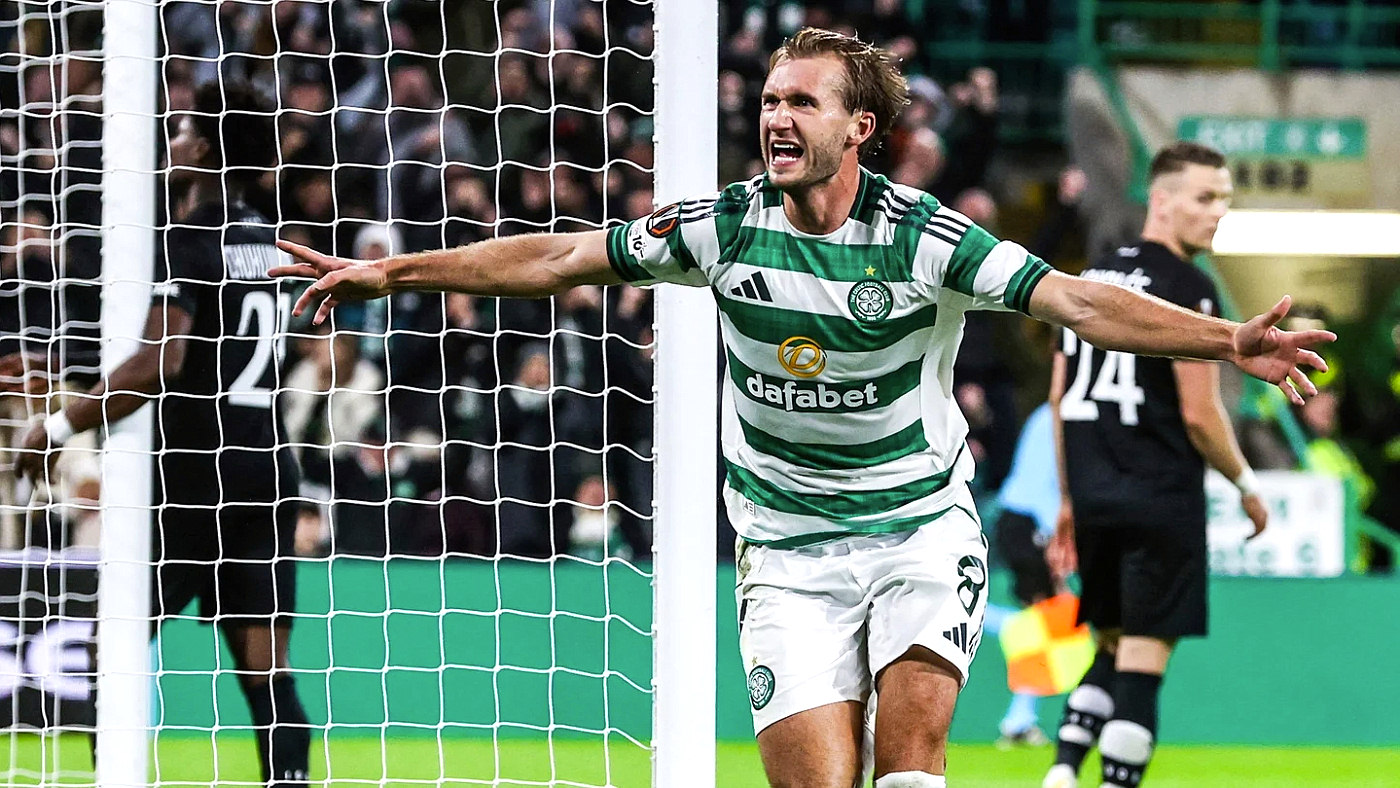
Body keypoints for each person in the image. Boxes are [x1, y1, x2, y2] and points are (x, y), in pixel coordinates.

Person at [271, 29, 1332, 788]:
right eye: (771, 99)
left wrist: (1226, 341)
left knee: (908, 765)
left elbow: (1077, 300)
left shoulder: (925, 237)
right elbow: (559, 258)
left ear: (858, 126)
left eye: (801, 102)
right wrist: (395, 271)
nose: (774, 116)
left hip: (918, 528)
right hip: (784, 549)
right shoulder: (725, 227)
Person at [7, 80, 311, 787]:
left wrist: (58, 424)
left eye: (181, 131)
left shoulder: (189, 241)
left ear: (203, 148)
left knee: (108, 649)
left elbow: (159, 364)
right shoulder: (270, 243)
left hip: (193, 479)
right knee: (266, 674)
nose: (172, 142)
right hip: (266, 472)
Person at [1041, 141, 1271, 788]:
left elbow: (1058, 399)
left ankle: (1062, 771)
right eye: (1206, 197)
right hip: (1158, 492)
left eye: (1224, 199)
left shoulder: (1087, 283)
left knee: (1111, 646)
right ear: (1162, 201)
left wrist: (1069, 498)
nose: (1218, 211)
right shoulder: (1187, 288)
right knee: (1142, 664)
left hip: (1094, 495)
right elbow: (1199, 414)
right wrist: (1246, 483)